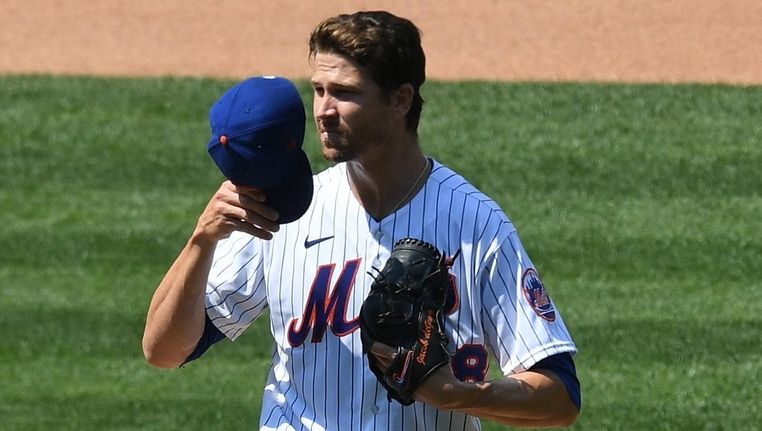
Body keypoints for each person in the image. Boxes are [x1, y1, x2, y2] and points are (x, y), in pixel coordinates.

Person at [142, 10, 581, 430]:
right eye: (318, 90)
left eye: (345, 93)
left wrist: (454, 395)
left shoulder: (476, 224)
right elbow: (164, 350)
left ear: (400, 100)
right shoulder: (289, 209)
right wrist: (202, 241)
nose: (323, 111)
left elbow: (559, 397)